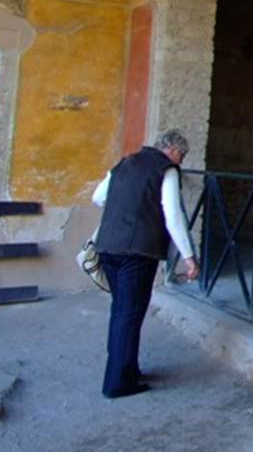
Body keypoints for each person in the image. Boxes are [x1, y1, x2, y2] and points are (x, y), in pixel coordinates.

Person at [91, 129, 199, 398]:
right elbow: (173, 217)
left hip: (107, 247)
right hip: (137, 253)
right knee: (129, 315)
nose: (181, 161)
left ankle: (125, 370)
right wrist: (188, 257)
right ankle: (118, 383)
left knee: (121, 312)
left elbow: (98, 197)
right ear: (172, 150)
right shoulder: (167, 171)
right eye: (182, 155)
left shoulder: (125, 162)